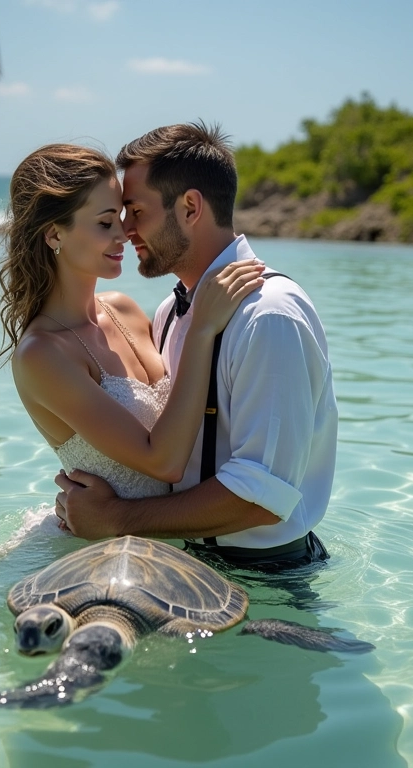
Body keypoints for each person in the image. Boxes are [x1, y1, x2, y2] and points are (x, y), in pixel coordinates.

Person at [55, 122, 338, 571]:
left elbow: (263, 497)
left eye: (136, 211)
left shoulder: (270, 317)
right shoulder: (170, 311)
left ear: (190, 207)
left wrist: (117, 518)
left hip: (268, 578)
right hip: (178, 563)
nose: (125, 230)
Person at [0, 144, 264, 529]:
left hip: (169, 544)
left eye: (122, 216)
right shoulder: (43, 354)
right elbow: (164, 463)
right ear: (54, 234)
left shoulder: (125, 310)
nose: (125, 233)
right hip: (93, 552)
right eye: (106, 223)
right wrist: (202, 328)